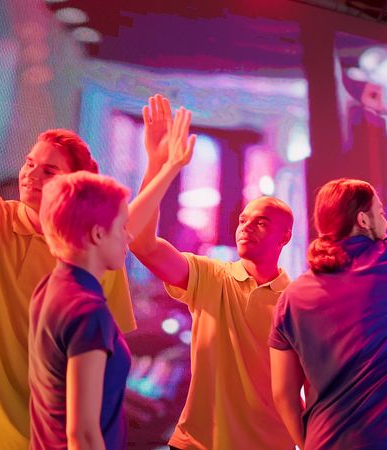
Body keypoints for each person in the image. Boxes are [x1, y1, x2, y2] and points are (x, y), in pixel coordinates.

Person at [129, 96, 297, 449]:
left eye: (261, 222)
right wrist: (162, 165)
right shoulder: (210, 276)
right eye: (242, 220)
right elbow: (138, 239)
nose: (246, 227)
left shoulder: (298, 300)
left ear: (285, 236)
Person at [28, 105, 195, 450]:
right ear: (98, 235)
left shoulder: (53, 285)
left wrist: (165, 166)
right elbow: (83, 434)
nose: (129, 236)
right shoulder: (86, 309)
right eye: (121, 228)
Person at [269, 149, 387, 450]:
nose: (385, 220)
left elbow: (283, 394)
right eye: (380, 212)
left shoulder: (292, 296)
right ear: (363, 220)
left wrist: (309, 444)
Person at [0, 129, 136, 449]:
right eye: (29, 163)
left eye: (49, 170)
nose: (31, 174)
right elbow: (82, 432)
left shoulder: (59, 282)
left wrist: (162, 167)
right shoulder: (81, 302)